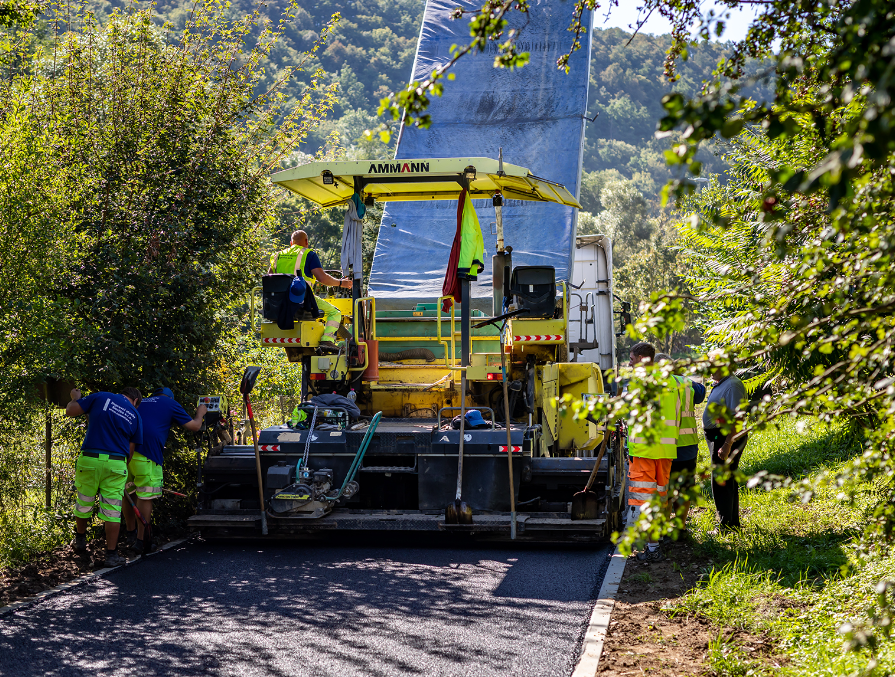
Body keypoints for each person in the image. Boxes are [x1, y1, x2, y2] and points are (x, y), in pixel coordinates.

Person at [121, 388, 207, 553]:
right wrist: (200, 412)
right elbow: (195, 426)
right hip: (147, 455)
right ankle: (142, 541)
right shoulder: (170, 403)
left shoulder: (140, 401)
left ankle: (130, 533)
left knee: (128, 491)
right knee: (145, 496)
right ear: (170, 397)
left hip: (126, 453)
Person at [66, 387, 143, 568]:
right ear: (136, 401)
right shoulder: (136, 416)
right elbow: (129, 454)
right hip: (116, 463)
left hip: (90, 460)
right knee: (112, 510)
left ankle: (80, 540)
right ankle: (111, 554)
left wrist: (75, 398)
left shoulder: (102, 397)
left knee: (84, 499)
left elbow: (71, 410)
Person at [626, 342, 679, 562]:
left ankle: (653, 548)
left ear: (641, 359)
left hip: (645, 452)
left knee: (644, 501)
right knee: (660, 500)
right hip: (665, 451)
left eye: (631, 358)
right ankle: (657, 541)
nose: (629, 363)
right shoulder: (670, 381)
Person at [269, 230, 353, 349]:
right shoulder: (309, 254)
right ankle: (327, 340)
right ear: (306, 242)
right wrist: (341, 283)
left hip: (278, 302)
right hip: (301, 300)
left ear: (291, 243)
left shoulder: (277, 256)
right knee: (334, 312)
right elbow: (322, 278)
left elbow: (269, 279)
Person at [655, 353, 706, 532]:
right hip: (688, 446)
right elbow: (701, 393)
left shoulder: (652, 384)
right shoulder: (685, 383)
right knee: (684, 490)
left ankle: (664, 529)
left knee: (665, 490)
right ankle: (681, 527)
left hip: (664, 447)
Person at [703, 367, 748, 531]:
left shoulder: (732, 386)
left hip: (725, 437)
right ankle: (731, 523)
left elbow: (738, 417)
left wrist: (728, 443)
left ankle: (725, 525)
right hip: (718, 437)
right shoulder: (721, 383)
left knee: (721, 481)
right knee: (726, 480)